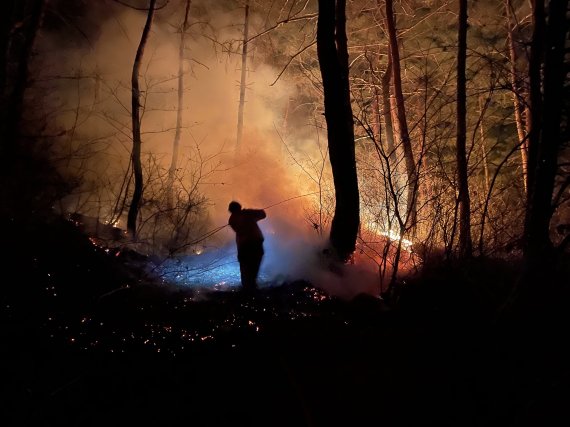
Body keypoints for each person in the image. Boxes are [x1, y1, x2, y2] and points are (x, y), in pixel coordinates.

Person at [228, 201, 267, 292]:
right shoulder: (248, 214)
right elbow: (263, 214)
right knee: (254, 266)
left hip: (243, 246)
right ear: (239, 207)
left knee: (245, 268)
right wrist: (250, 211)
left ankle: (247, 288)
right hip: (255, 243)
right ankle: (251, 288)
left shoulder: (231, 220)